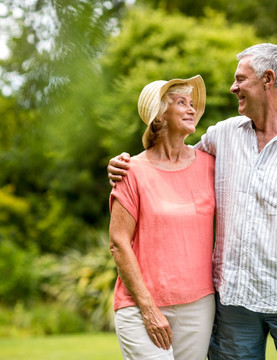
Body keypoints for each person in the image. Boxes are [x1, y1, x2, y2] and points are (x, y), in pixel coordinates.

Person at [108, 43, 277, 360]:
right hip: (235, 306)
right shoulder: (223, 135)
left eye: (240, 79)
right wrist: (122, 164)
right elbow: (170, 158)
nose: (233, 87)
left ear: (268, 79)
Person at [108, 75, 216, 360]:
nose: (192, 109)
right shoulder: (130, 170)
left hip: (199, 306)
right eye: (181, 102)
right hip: (141, 306)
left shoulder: (210, 164)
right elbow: (118, 242)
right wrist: (148, 308)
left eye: (192, 103)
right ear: (159, 115)